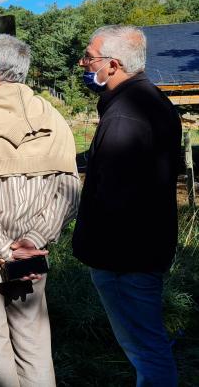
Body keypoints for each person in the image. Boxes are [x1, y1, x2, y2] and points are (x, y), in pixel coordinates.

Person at [0, 34, 80, 386]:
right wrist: (35, 240)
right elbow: (69, 190)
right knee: (35, 348)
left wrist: (5, 250)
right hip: (33, 257)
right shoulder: (53, 117)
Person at [74, 25, 180, 386]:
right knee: (148, 343)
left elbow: (113, 194)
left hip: (123, 257)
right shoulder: (152, 101)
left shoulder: (123, 116)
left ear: (113, 65)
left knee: (145, 349)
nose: (83, 63)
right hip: (147, 246)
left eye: (89, 57)